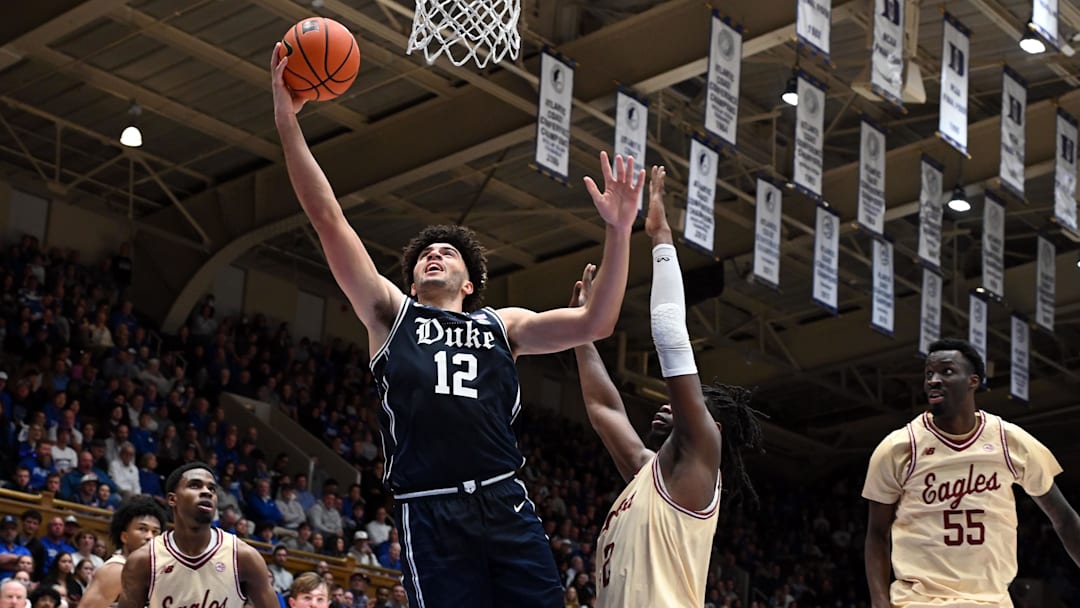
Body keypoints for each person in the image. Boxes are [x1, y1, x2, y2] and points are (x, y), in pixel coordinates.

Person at [270, 41, 641, 608]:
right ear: (414, 280)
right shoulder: (391, 314)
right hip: (431, 507)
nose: (434, 254)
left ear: (469, 283)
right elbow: (327, 216)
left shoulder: (504, 325)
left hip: (504, 503)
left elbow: (599, 320)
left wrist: (618, 231)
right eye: (425, 254)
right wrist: (286, 121)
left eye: (448, 252)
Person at [570, 166, 764, 608]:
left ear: (706, 421)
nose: (666, 406)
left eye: (681, 408)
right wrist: (579, 332)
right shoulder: (649, 473)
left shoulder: (702, 447)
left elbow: (670, 333)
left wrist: (659, 238)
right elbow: (606, 411)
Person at [863, 338, 1080, 607]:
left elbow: (1064, 519)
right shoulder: (897, 448)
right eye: (929, 373)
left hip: (992, 600)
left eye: (947, 371)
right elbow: (876, 534)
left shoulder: (1009, 440)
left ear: (973, 381)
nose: (934, 379)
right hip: (920, 601)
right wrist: (879, 601)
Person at [117, 463, 279, 608]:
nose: (206, 492)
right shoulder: (143, 560)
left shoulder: (244, 556)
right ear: (173, 499)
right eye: (195, 485)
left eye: (212, 489)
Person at [78, 495, 166, 608]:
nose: (150, 537)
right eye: (142, 529)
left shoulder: (155, 573)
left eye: (155, 532)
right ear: (124, 536)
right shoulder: (116, 570)